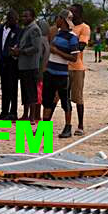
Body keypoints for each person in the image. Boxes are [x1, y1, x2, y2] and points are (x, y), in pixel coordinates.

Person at [42, 9, 80, 138]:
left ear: (62, 19)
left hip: (62, 73)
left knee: (65, 101)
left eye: (57, 18)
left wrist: (57, 51)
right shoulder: (58, 33)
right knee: (47, 100)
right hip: (50, 71)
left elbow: (74, 58)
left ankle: (68, 127)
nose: (56, 20)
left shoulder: (73, 37)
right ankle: (44, 128)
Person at [11, 9, 41, 123]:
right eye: (23, 16)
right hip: (23, 65)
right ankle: (25, 114)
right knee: (25, 91)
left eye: (26, 16)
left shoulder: (34, 29)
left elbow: (35, 47)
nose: (24, 18)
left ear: (32, 17)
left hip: (31, 65)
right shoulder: (26, 29)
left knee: (31, 91)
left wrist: (21, 51)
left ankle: (32, 117)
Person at [0, 10, 21, 120]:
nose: (16, 22)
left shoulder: (18, 30)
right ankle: (4, 111)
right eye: (14, 19)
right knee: (4, 87)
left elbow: (16, 44)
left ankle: (13, 112)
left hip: (12, 62)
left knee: (12, 88)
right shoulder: (0, 29)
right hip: (2, 61)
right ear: (9, 19)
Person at [69, 3, 91, 136]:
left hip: (77, 67)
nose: (71, 15)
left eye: (73, 12)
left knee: (78, 98)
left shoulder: (84, 28)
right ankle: (46, 124)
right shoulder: (67, 28)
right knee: (56, 97)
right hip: (63, 66)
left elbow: (80, 46)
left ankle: (80, 125)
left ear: (79, 14)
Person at [36, 19, 52, 121]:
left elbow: (38, 57)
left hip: (39, 71)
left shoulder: (40, 40)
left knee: (37, 95)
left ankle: (36, 115)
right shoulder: (46, 40)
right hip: (45, 71)